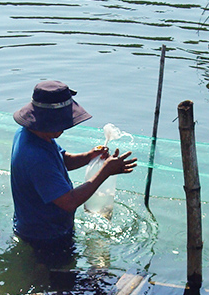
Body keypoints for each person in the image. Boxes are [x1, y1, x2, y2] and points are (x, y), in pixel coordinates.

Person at [10, 80, 136, 254]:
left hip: (45, 227)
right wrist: (104, 172)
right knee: (59, 279)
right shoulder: (35, 156)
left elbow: (61, 160)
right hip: (44, 238)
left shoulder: (33, 134)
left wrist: (89, 156)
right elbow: (68, 202)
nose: (63, 129)